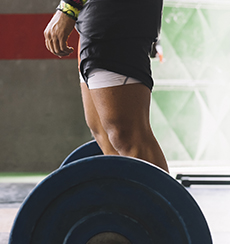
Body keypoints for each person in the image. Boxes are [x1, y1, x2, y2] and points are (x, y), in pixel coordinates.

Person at [44, 0, 169, 173]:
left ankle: (162, 200)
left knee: (127, 136)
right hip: (92, 15)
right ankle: (127, 200)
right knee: (104, 135)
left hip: (114, 15)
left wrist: (68, 8)